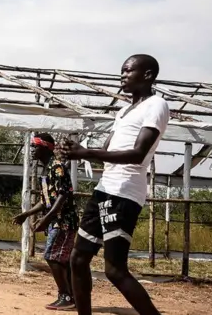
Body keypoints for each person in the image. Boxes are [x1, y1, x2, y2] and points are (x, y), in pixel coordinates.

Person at [60, 54, 169, 315]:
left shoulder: (156, 105)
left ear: (148, 75)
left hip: (124, 192)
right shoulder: (123, 111)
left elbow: (138, 153)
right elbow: (109, 149)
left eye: (128, 70)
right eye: (122, 71)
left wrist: (86, 154)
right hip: (105, 189)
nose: (123, 75)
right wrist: (79, 150)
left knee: (115, 270)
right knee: (78, 258)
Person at [13, 133, 78, 311]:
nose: (32, 150)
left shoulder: (57, 167)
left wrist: (45, 219)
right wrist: (26, 214)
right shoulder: (46, 170)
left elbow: (62, 197)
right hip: (56, 221)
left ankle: (66, 295)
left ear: (45, 147)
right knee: (62, 260)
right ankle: (71, 296)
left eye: (35, 146)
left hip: (64, 221)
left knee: (52, 256)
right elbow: (46, 200)